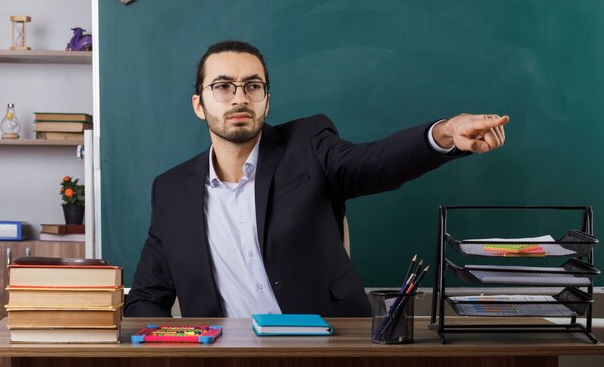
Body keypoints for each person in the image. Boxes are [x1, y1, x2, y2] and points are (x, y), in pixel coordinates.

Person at [124, 40, 509, 318]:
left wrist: (443, 133)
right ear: (199, 104)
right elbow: (146, 297)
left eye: (252, 86)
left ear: (266, 101)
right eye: (223, 86)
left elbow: (374, 163)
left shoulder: (308, 144)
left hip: (326, 345)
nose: (239, 98)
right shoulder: (171, 190)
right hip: (223, 354)